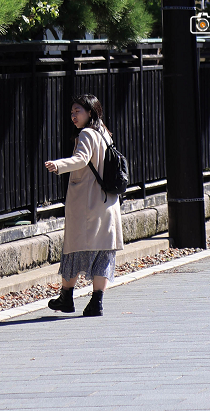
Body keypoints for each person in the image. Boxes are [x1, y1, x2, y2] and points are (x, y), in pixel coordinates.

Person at [43, 93, 124, 317]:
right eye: (72, 112)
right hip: (106, 202)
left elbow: (81, 158)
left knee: (74, 249)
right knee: (103, 253)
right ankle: (96, 302)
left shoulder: (87, 133)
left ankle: (66, 297)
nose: (73, 115)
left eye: (78, 111)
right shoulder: (104, 133)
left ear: (90, 112)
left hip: (87, 203)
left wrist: (58, 164)